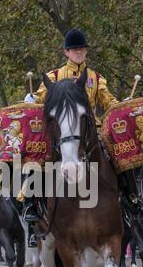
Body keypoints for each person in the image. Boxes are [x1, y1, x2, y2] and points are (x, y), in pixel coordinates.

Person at [23, 28, 119, 221]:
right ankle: (32, 203)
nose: (79, 52)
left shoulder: (96, 78)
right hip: (62, 131)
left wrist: (122, 105)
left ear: (86, 51)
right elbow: (42, 96)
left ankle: (129, 197)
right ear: (66, 52)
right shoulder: (54, 76)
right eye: (74, 49)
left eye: (82, 49)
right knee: (38, 154)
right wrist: (32, 98)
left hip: (90, 130)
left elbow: (108, 101)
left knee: (119, 153)